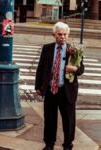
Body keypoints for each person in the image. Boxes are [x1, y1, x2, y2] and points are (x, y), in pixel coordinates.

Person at [35, 22, 84, 150]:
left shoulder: (74, 50)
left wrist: (74, 69)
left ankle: (68, 145)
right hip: (51, 90)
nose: (62, 37)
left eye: (65, 34)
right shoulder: (47, 48)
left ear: (68, 35)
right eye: (60, 34)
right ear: (54, 35)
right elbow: (40, 68)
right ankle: (49, 144)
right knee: (50, 120)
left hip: (66, 91)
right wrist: (38, 86)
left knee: (68, 121)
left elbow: (81, 69)